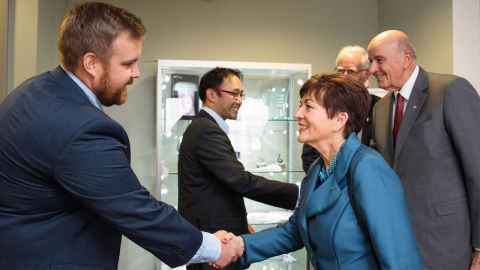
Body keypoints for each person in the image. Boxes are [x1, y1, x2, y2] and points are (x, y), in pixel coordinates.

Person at [0, 3, 241, 270]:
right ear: (91, 63)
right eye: (128, 63)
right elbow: (134, 207)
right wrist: (212, 248)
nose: (136, 72)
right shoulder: (80, 127)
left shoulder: (34, 90)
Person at [219, 73, 423, 269]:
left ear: (339, 119)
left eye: (308, 107)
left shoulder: (369, 169)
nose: (298, 114)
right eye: (301, 105)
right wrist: (240, 245)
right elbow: (296, 231)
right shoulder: (317, 171)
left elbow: (400, 258)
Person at [368, 30, 480, 270]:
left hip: (448, 248)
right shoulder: (381, 108)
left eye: (379, 60)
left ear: (407, 57)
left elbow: (478, 170)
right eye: (370, 62)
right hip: (398, 248)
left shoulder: (451, 90)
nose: (371, 70)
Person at [178, 67, 299, 270]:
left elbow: (223, 186)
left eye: (242, 94)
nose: (239, 100)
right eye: (234, 93)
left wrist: (241, 226)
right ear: (211, 95)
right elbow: (239, 180)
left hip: (220, 237)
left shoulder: (206, 127)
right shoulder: (206, 130)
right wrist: (297, 195)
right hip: (216, 243)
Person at [301, 45, 386, 172]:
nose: (345, 76)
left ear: (366, 73)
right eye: (340, 71)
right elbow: (310, 155)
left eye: (351, 71)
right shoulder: (324, 105)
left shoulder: (379, 108)